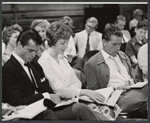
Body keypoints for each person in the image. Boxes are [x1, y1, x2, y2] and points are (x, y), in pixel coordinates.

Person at [2, 28, 108, 121]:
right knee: (75, 109)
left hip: (47, 107)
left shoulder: (34, 64)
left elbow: (46, 87)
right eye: (30, 51)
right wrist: (46, 95)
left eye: (36, 51)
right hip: (29, 113)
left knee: (81, 107)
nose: (33, 55)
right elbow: (17, 101)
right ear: (19, 45)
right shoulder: (8, 69)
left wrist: (54, 97)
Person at [83, 26, 147, 115]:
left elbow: (132, 77)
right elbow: (94, 93)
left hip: (133, 93)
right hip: (116, 99)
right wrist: (115, 88)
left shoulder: (122, 55)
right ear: (104, 42)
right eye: (114, 44)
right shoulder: (92, 63)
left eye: (120, 44)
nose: (118, 48)